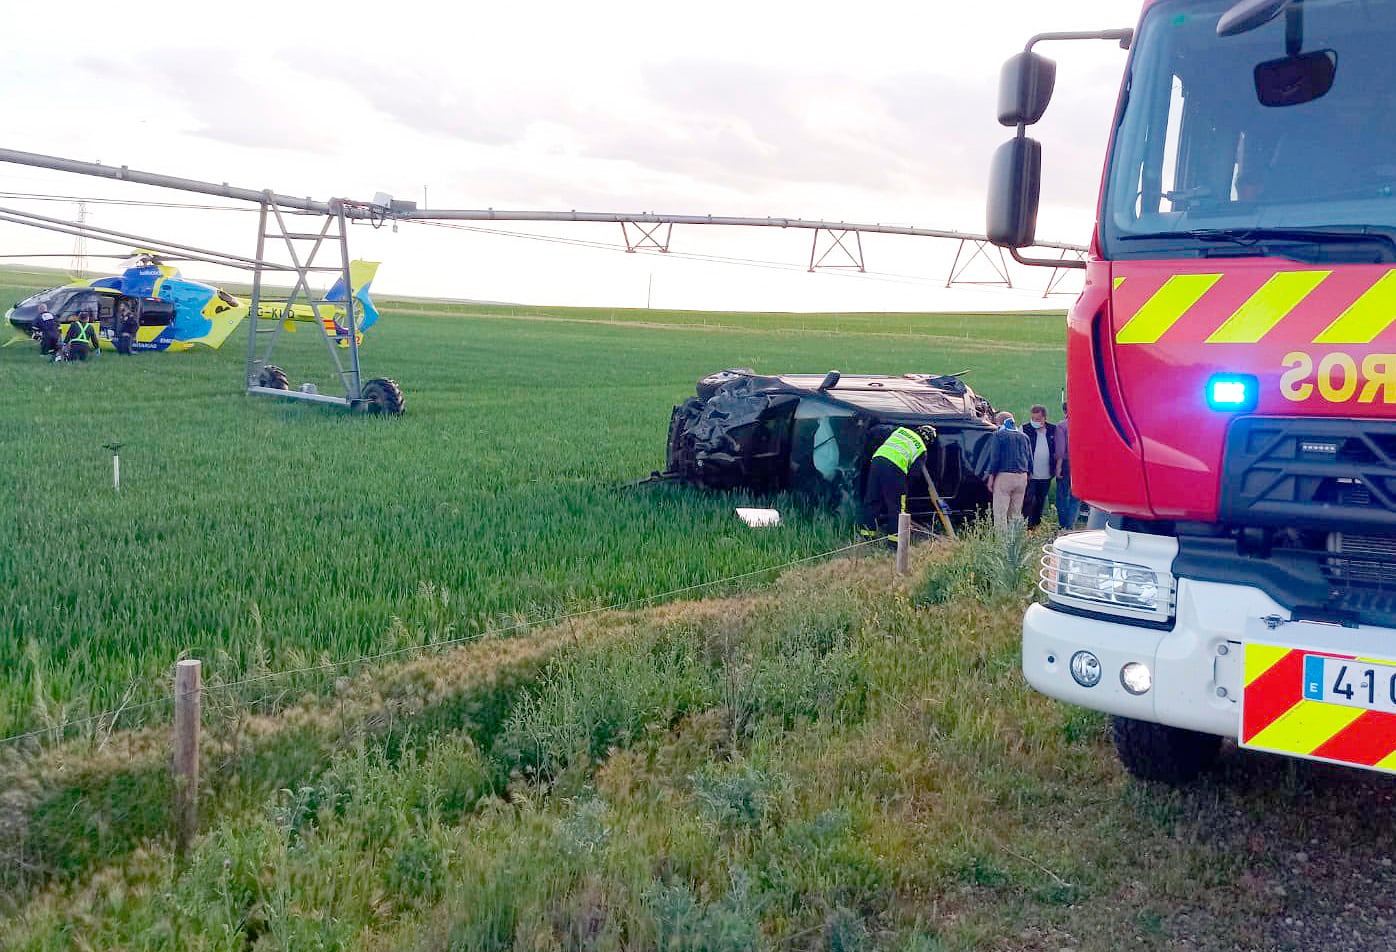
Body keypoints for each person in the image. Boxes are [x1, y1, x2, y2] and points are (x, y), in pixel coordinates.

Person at [860, 424, 939, 543]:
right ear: (929, 441)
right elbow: (914, 474)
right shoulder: (922, 449)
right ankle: (895, 541)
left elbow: (880, 433)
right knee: (896, 506)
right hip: (895, 468)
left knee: (872, 499)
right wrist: (904, 488)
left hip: (877, 461)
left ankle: (867, 536)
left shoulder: (901, 430)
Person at [985, 411, 1031, 531]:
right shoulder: (1024, 437)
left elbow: (995, 458)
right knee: (1016, 512)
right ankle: (1015, 538)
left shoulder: (998, 435)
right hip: (1022, 476)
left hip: (1005, 476)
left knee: (1000, 512)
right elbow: (1029, 458)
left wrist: (991, 477)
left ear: (999, 422)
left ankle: (1002, 540)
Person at [1023, 404, 1057, 529]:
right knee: (1029, 500)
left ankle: (1036, 525)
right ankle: (1027, 525)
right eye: (1033, 418)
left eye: (1037, 419)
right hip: (1031, 473)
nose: (1034, 421)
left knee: (1040, 500)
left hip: (1046, 473)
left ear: (1044, 418)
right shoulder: (1025, 429)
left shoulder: (1053, 430)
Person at [1055, 401, 1081, 530]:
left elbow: (1060, 450)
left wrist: (1058, 467)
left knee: (1062, 494)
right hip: (1080, 463)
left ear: (1065, 411)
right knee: (1076, 496)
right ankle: (1071, 523)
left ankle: (1063, 524)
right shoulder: (1083, 424)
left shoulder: (1062, 426)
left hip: (1066, 462)